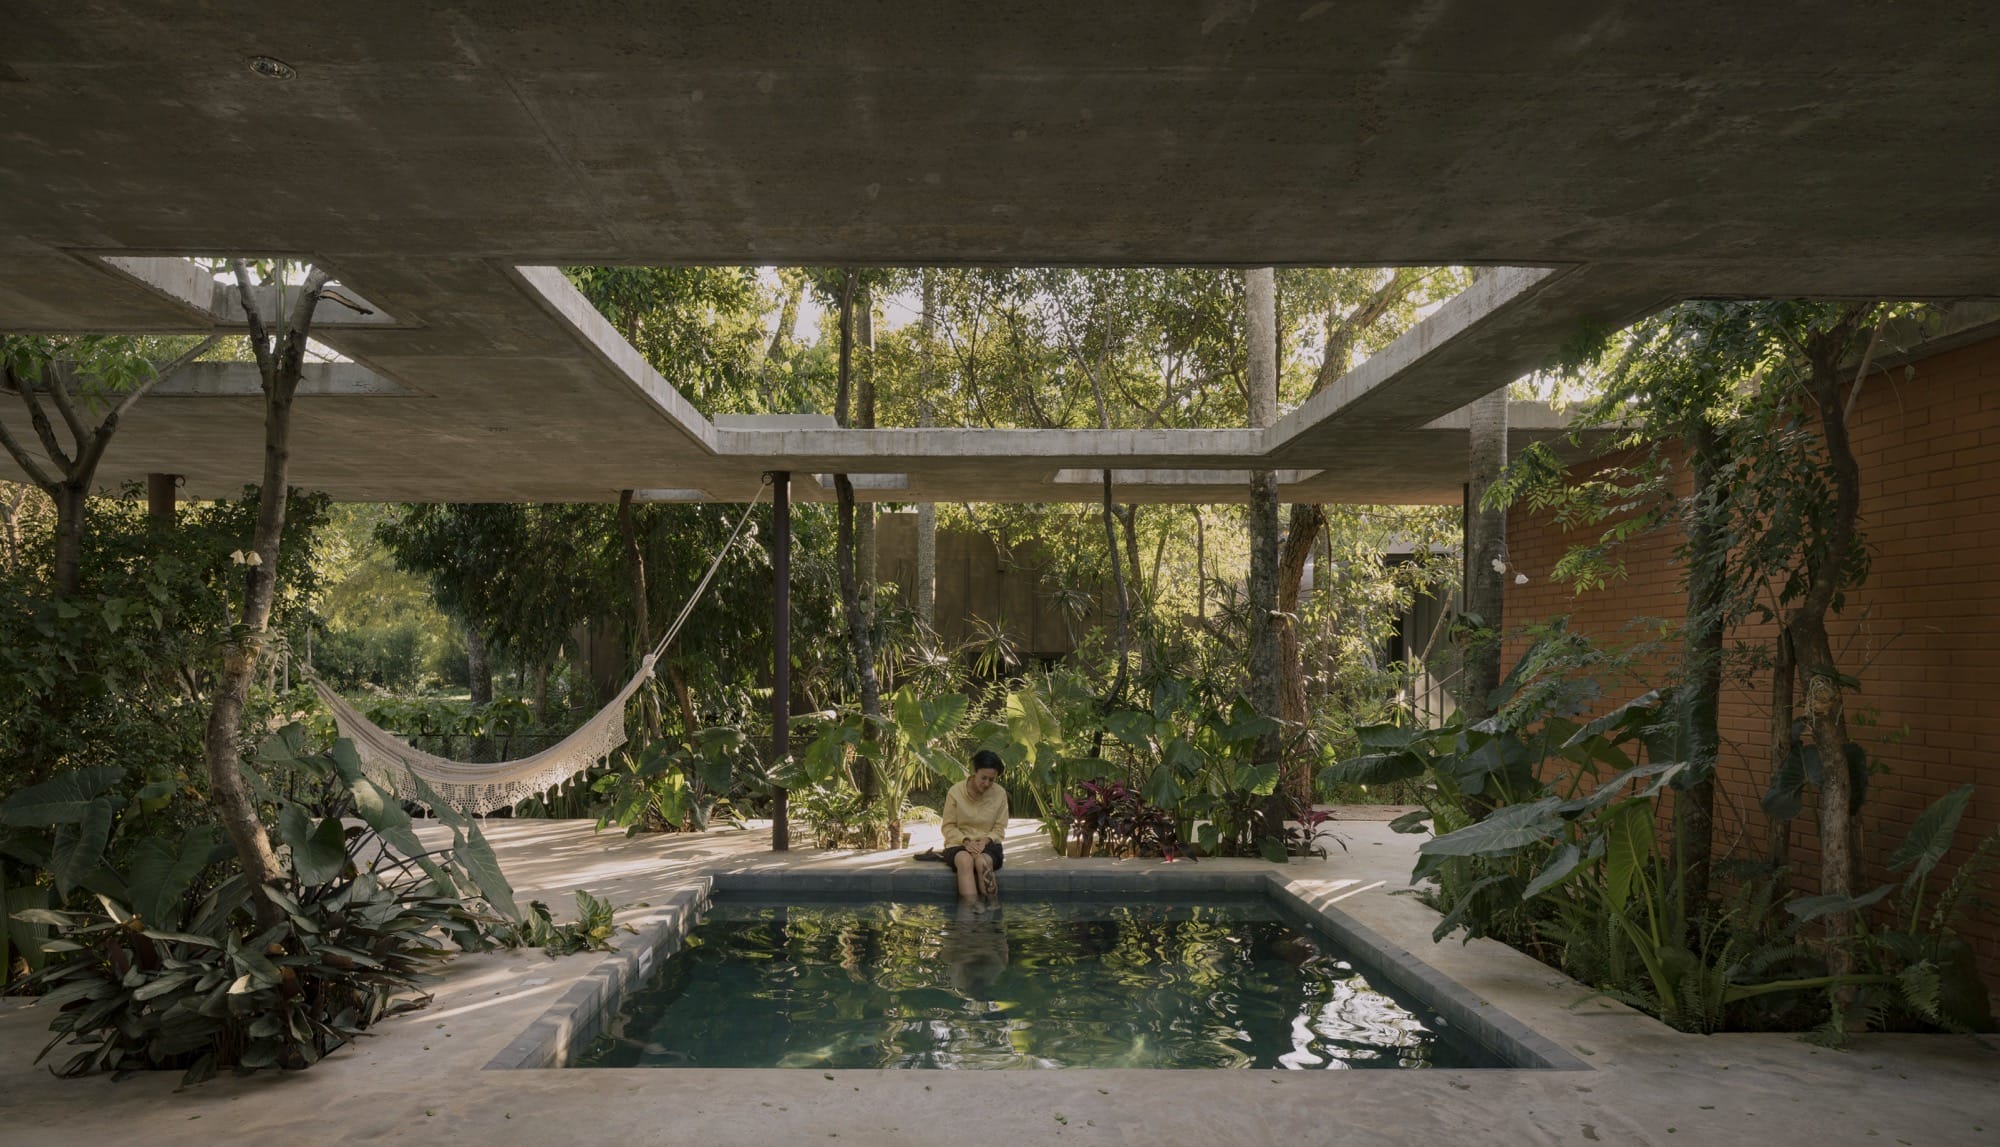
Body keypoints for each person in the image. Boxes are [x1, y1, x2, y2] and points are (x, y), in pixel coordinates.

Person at [940, 750, 1009, 900]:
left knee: (981, 861)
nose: (987, 783)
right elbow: (948, 826)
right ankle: (969, 913)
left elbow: (999, 828)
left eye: (992, 780)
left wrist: (984, 842)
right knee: (965, 861)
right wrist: (966, 842)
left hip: (989, 844)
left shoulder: (1000, 793)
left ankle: (992, 910)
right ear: (974, 772)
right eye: (983, 778)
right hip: (958, 843)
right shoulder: (955, 792)